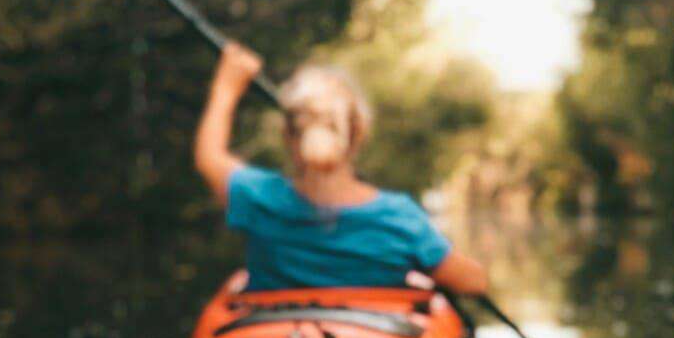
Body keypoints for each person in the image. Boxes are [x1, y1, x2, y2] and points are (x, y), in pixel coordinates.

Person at [194, 42, 488, 295]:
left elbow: (209, 156)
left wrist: (226, 87)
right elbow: (472, 282)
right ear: (359, 133)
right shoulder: (400, 219)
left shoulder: (259, 198)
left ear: (287, 135)